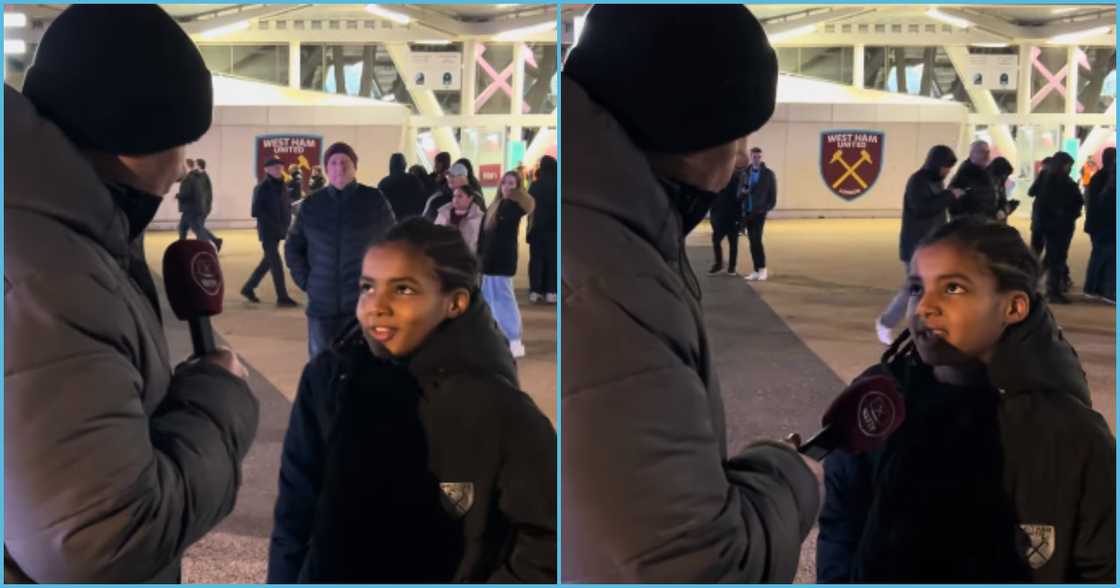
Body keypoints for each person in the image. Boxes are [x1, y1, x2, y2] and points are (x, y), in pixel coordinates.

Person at [562, 5, 823, 582]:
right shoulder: (616, 284)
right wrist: (794, 475)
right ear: (685, 132)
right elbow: (704, 567)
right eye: (737, 133)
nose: (738, 158)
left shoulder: (616, 231)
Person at [4, 5, 259, 582]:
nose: (178, 171)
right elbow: (102, 540)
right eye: (177, 142)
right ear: (125, 140)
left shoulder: (55, 229)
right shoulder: (48, 275)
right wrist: (219, 395)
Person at [819, 217, 1115, 583]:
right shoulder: (876, 405)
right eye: (915, 288)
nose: (924, 307)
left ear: (1014, 307)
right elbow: (841, 524)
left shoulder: (1075, 435)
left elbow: (1100, 567)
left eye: (954, 288)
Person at [268, 218, 556, 583]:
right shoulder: (328, 381)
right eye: (367, 287)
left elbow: (547, 537)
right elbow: (295, 513)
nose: (377, 306)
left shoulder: (501, 409)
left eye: (403, 290)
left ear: (454, 302)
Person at [285, 141, 396, 357]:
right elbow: (293, 247)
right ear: (327, 169)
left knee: (363, 369)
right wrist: (307, 281)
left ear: (355, 167)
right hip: (322, 306)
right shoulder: (311, 205)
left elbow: (394, 244)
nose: (339, 167)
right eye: (333, 163)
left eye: (345, 162)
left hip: (363, 307)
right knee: (321, 369)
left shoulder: (373, 200)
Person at [876, 145, 964, 344]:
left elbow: (940, 212)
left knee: (928, 290)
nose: (947, 171)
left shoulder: (938, 182)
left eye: (950, 168)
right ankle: (885, 323)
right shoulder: (918, 181)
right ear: (936, 164)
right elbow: (922, 208)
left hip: (933, 245)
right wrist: (950, 196)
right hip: (915, 245)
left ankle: (922, 329)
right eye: (946, 167)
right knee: (913, 288)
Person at [480, 171, 536, 358]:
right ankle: (495, 337)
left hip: (503, 258)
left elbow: (526, 205)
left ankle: (514, 339)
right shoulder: (496, 205)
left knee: (504, 299)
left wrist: (516, 195)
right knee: (489, 298)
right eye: (504, 182)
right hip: (489, 260)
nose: (506, 186)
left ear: (518, 187)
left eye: (511, 183)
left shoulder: (513, 206)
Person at [242, 158, 300, 307]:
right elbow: (255, 211)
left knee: (267, 261)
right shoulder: (261, 188)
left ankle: (248, 288)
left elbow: (287, 206)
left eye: (280, 167)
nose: (278, 169)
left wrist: (291, 221)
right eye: (274, 167)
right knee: (276, 263)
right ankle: (282, 297)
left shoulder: (283, 186)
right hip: (268, 231)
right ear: (266, 170)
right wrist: (273, 222)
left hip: (280, 230)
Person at [1034, 151, 1083, 304]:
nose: (1069, 168)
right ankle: (1052, 290)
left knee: (1052, 258)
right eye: (1068, 165)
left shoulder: (1048, 178)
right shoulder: (1058, 182)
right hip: (1057, 226)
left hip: (1055, 225)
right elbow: (1067, 201)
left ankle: (1037, 284)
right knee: (1056, 258)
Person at [1083, 147, 1115, 303]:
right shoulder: (1108, 180)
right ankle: (1107, 291)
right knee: (1108, 258)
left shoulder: (1099, 178)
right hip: (1105, 226)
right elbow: (1104, 205)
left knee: (1099, 256)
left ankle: (1093, 289)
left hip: (1098, 225)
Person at [741, 146, 777, 281]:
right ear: (751, 157)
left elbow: (773, 198)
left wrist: (764, 209)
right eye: (754, 157)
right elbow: (739, 193)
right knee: (752, 241)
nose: (756, 159)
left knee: (757, 240)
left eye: (759, 157)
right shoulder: (745, 173)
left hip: (759, 213)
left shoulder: (769, 174)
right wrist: (742, 194)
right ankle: (756, 270)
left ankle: (763, 269)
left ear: (761, 157)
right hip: (747, 213)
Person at [527, 155, 558, 304]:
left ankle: (535, 290)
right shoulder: (559, 184)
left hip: (536, 229)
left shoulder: (535, 185)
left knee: (536, 260)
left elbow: (530, 209)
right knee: (552, 260)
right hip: (554, 229)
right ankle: (551, 291)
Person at [176, 157, 223, 250]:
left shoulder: (193, 177)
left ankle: (208, 246)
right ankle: (182, 246)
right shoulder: (198, 177)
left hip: (193, 208)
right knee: (184, 227)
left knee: (198, 229)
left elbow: (196, 193)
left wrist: (178, 195)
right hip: (195, 207)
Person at [709, 162, 746, 276]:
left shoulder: (737, 179)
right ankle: (719, 264)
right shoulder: (718, 181)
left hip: (732, 218)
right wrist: (713, 219)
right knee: (716, 241)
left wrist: (740, 221)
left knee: (733, 244)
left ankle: (732, 267)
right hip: (720, 218)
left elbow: (739, 201)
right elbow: (713, 202)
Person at [948, 140, 998, 219]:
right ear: (972, 154)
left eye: (988, 152)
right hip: (971, 225)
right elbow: (954, 204)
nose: (987, 155)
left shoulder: (986, 171)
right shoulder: (964, 173)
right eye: (982, 152)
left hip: (985, 221)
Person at [435, 185, 485, 254]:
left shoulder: (478, 218)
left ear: (470, 198)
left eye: (460, 196)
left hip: (467, 259)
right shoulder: (443, 214)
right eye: (454, 196)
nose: (455, 199)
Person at [378, 152, 427, 220]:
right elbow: (422, 200)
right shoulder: (414, 179)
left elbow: (380, 206)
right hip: (412, 220)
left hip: (392, 223)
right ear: (404, 164)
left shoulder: (383, 183)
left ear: (391, 165)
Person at [1028, 156, 1053, 257]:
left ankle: (1034, 269)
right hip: (1050, 218)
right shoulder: (1061, 178)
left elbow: (1030, 192)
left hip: (1039, 216)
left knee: (1036, 247)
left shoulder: (1042, 175)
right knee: (1050, 248)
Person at [987, 156, 1018, 222]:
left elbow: (1002, 200)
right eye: (1005, 175)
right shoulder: (986, 182)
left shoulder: (999, 182)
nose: (1006, 178)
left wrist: (1007, 208)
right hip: (989, 224)